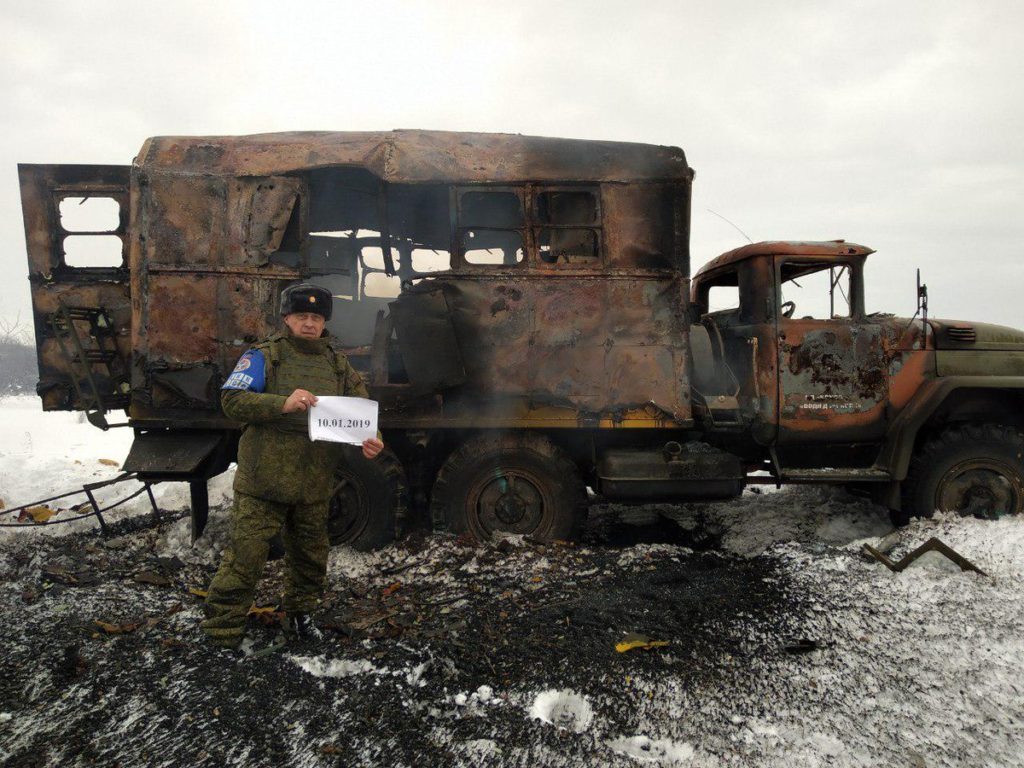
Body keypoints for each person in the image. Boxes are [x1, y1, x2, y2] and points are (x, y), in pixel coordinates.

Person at [201, 283, 384, 649]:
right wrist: (281, 404)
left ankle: (300, 618)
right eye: (302, 316)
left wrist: (373, 438)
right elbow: (232, 400)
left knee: (310, 559)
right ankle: (222, 630)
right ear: (287, 318)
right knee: (246, 556)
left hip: (313, 482)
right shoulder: (264, 356)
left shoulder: (337, 363)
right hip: (263, 482)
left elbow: (360, 409)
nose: (309, 324)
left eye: (316, 317)